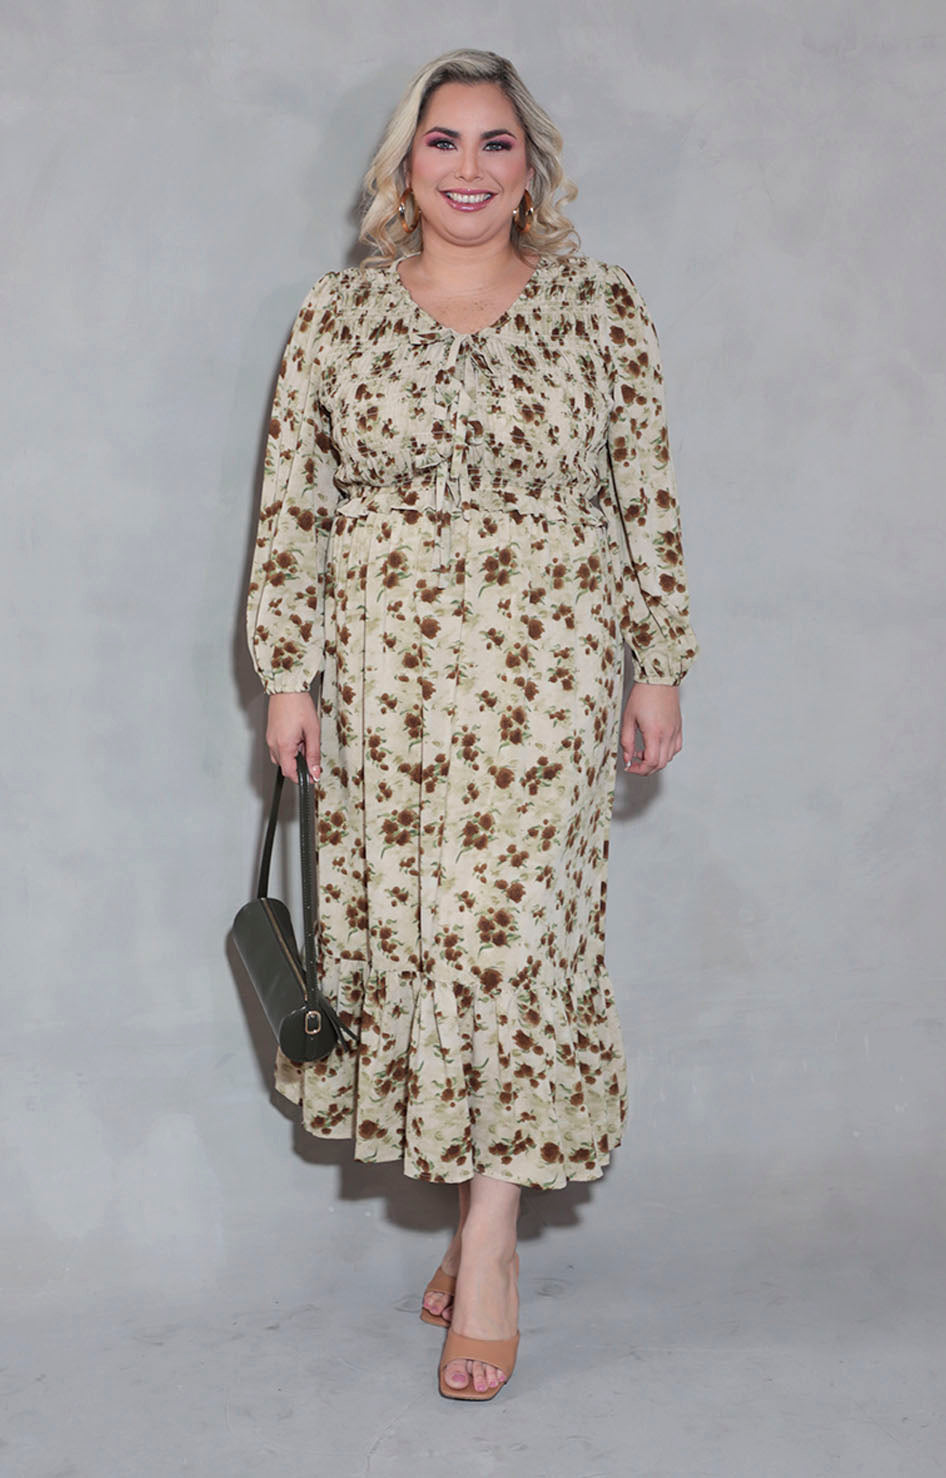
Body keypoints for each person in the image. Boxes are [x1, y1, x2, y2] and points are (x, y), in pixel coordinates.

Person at [244, 47, 699, 1400]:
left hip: (546, 676)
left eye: (496, 143)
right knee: (420, 946)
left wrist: (659, 661)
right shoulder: (338, 314)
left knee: (509, 945)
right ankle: (472, 1212)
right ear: (406, 162)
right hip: (381, 683)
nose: (468, 167)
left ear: (530, 168)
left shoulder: (600, 307)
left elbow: (645, 492)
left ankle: (489, 1246)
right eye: (443, 140)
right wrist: (287, 672)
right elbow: (295, 501)